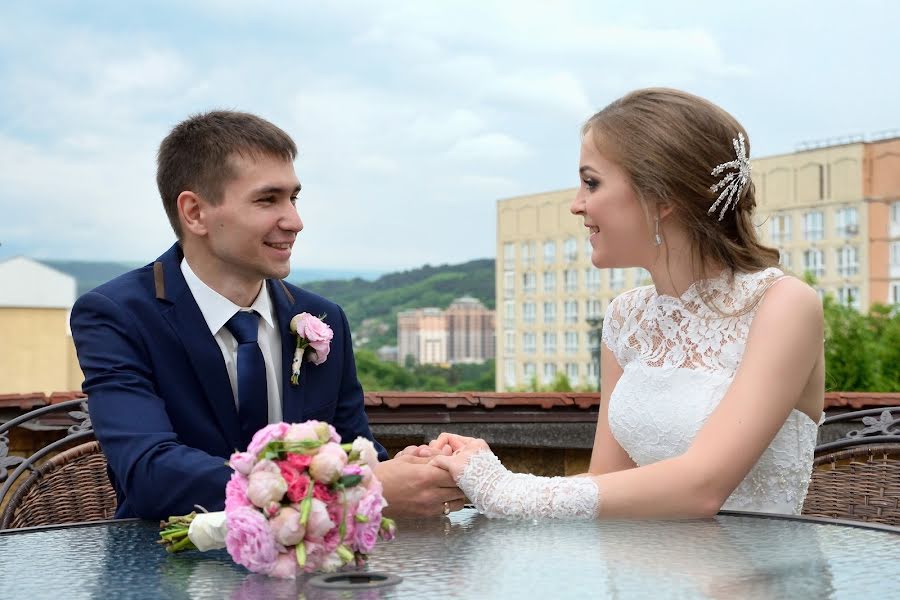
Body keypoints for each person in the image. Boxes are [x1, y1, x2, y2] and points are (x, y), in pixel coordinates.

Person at [415, 88, 825, 519]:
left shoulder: (781, 305)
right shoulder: (626, 318)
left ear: (662, 198)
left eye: (591, 182)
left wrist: (506, 491)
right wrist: (479, 477)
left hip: (753, 579)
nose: (577, 204)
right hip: (640, 573)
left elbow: (701, 488)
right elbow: (607, 484)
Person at [71, 110, 465, 520]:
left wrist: (417, 471)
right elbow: (149, 473)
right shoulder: (117, 316)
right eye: (267, 199)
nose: (295, 221)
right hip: (165, 568)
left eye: (293, 198)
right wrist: (347, 494)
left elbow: (353, 450)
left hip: (313, 571)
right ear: (194, 213)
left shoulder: (323, 317)